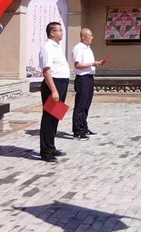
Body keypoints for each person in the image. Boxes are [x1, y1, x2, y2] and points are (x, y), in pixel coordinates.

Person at [39, 22, 70, 162]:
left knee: (55, 117)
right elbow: (46, 71)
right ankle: (45, 151)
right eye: (60, 30)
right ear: (52, 32)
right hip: (53, 84)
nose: (62, 33)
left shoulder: (56, 47)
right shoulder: (47, 47)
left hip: (61, 83)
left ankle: (51, 147)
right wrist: (53, 90)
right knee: (48, 119)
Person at [72, 27, 106, 140]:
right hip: (82, 79)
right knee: (80, 105)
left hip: (89, 78)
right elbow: (77, 65)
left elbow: (88, 64)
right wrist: (92, 63)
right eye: (90, 35)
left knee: (86, 104)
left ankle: (84, 127)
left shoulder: (88, 48)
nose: (92, 37)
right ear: (83, 36)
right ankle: (77, 131)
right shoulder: (78, 48)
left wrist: (97, 64)